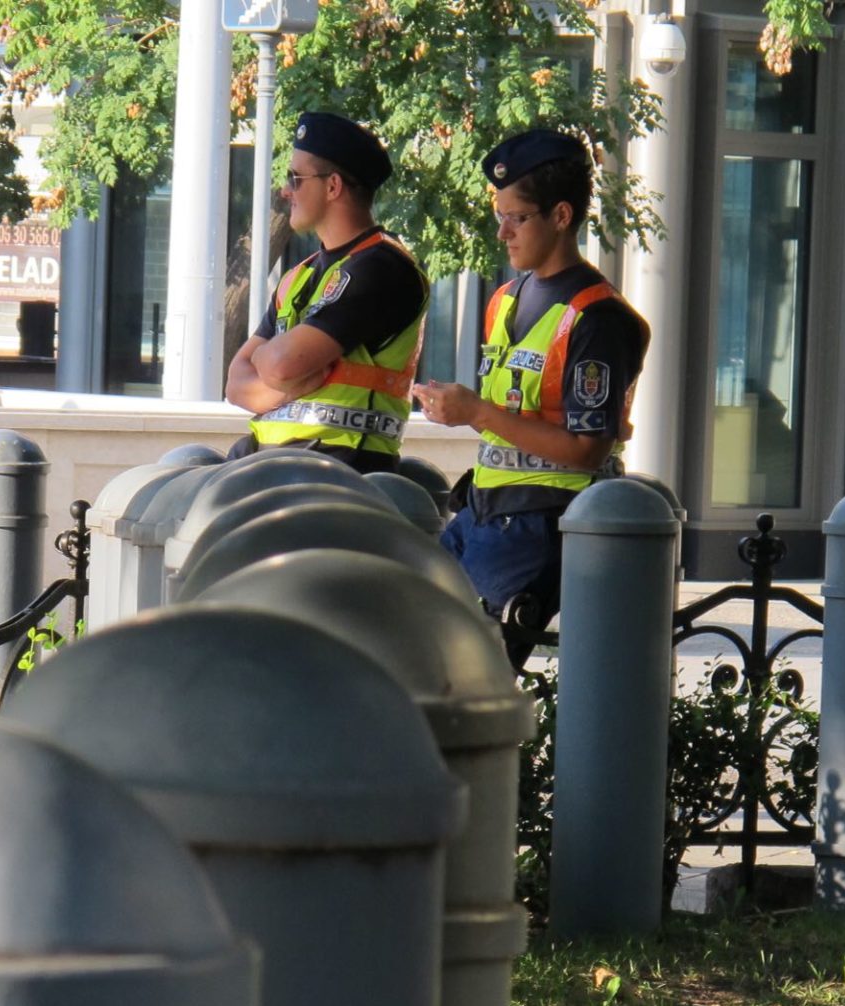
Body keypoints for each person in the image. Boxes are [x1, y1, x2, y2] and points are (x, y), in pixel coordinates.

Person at [413, 129, 650, 669]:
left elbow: (588, 448)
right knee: (408, 646)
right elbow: (510, 419)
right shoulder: (505, 299)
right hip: (482, 512)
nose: (502, 232)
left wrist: (476, 410)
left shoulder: (598, 319)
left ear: (561, 215)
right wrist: (460, 410)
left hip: (539, 523)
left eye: (516, 217)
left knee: (458, 677)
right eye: (499, 215)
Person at [225, 112, 429, 475]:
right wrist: (288, 386)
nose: (285, 191)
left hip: (339, 471)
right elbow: (236, 384)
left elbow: (280, 364)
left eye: (295, 178)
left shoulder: (381, 268)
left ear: (333, 186)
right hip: (271, 464)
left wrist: (273, 364)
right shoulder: (299, 275)